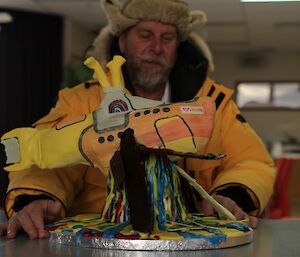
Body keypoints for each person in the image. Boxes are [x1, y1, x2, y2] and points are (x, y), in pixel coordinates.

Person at [0, 0, 275, 240]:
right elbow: (47, 157)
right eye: (145, 34)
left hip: (193, 243)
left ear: (178, 47)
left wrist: (233, 195)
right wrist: (37, 198)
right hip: (96, 242)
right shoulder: (80, 101)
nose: (156, 47)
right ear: (122, 41)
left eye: (168, 38)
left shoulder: (215, 104)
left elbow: (251, 161)